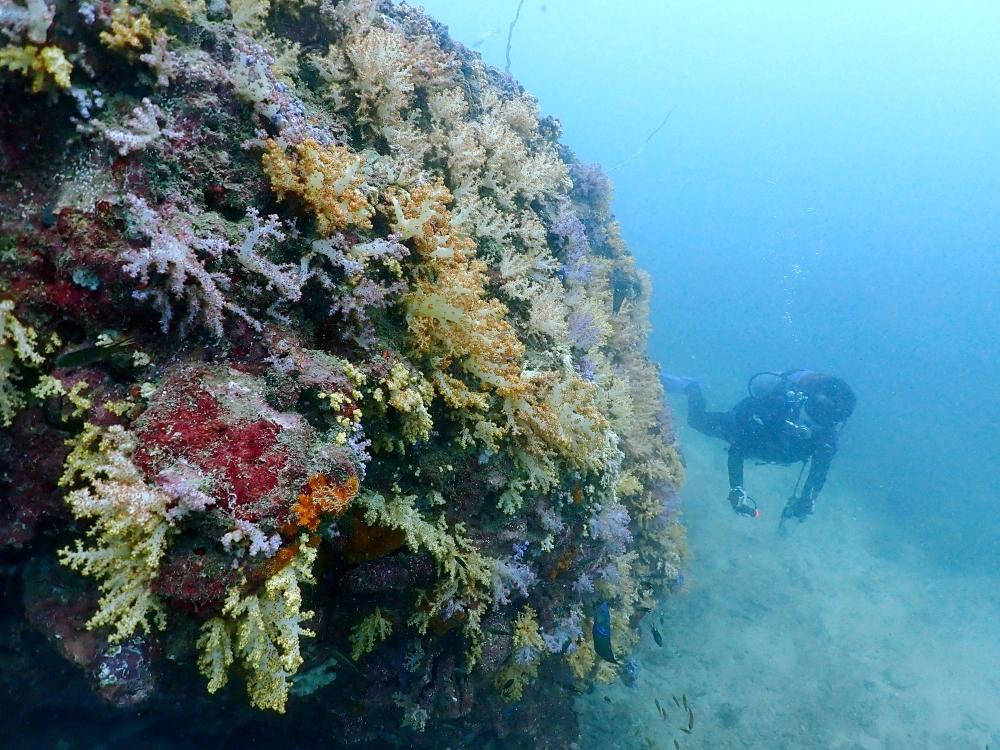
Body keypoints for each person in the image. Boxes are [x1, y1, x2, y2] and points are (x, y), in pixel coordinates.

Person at [662, 370, 855, 522]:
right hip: (736, 428)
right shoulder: (777, 407)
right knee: (696, 420)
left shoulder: (826, 438)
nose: (816, 425)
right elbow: (738, 449)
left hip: (766, 448)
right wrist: (737, 488)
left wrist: (807, 500)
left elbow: (818, 473)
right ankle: (691, 387)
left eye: (832, 420)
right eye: (819, 413)